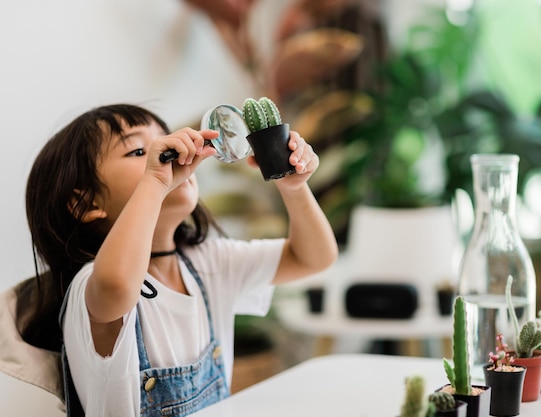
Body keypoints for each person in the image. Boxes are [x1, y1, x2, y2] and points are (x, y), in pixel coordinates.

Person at [11, 103, 338, 416]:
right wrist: (154, 181)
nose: (166, 154)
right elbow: (116, 286)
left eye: (163, 139)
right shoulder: (93, 281)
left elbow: (312, 258)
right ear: (84, 204)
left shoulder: (208, 261)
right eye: (139, 151)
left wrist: (294, 188)